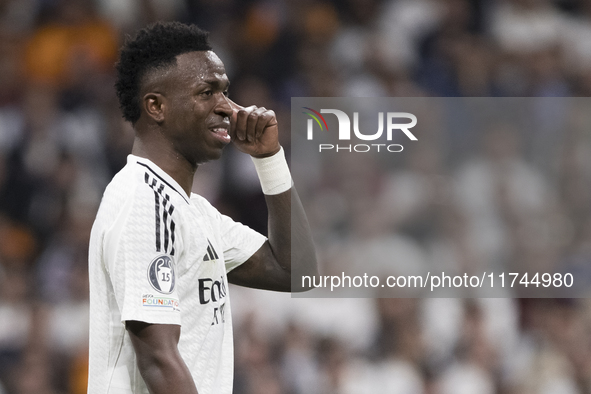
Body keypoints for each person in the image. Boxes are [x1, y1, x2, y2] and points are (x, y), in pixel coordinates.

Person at [87, 21, 317, 394]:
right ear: (156, 106)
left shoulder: (191, 210)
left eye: (225, 91)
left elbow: (296, 271)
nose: (227, 107)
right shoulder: (145, 202)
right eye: (207, 92)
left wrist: (270, 159)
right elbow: (158, 360)